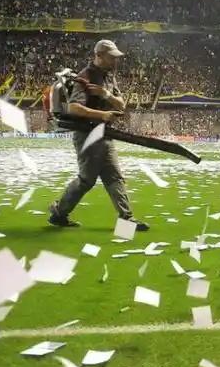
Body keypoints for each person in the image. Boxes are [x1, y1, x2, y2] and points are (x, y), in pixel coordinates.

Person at [49, 40, 148, 231]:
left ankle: (127, 220)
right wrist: (102, 115)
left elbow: (121, 105)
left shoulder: (109, 77)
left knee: (114, 177)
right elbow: (73, 107)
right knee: (87, 180)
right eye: (112, 57)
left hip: (104, 133)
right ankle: (59, 213)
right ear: (99, 56)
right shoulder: (85, 77)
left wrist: (105, 94)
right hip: (87, 135)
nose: (116, 61)